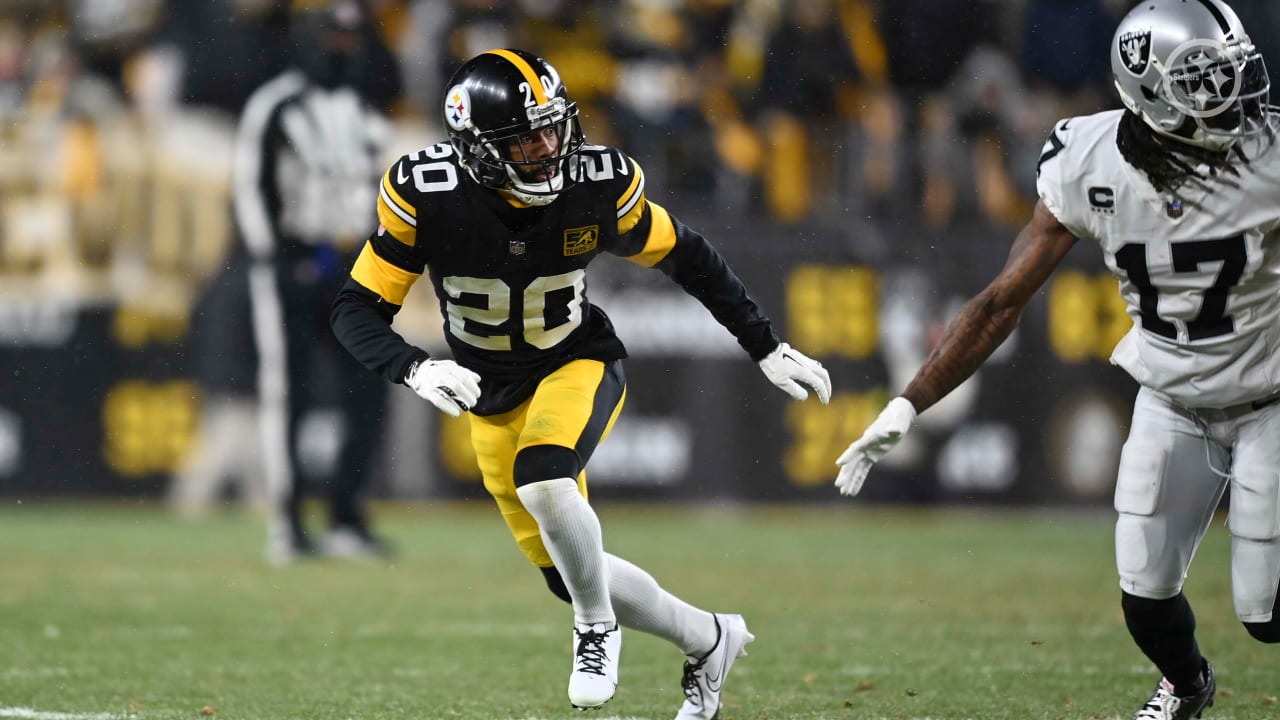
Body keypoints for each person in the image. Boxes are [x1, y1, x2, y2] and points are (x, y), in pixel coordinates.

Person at [330, 48, 831, 715]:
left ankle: (597, 629)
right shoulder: (429, 195)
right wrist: (415, 367)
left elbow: (688, 255)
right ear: (478, 150)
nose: (547, 147)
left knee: (545, 480)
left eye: (551, 126)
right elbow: (356, 309)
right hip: (490, 393)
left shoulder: (594, 184)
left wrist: (764, 345)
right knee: (571, 574)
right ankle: (710, 639)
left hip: (576, 360)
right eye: (525, 137)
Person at [835, 2, 1279, 719]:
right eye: (1203, 79)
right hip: (1172, 397)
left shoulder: (1270, 153)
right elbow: (1000, 303)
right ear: (1152, 93)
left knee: (1267, 614)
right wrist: (908, 401)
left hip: (1271, 394)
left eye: (1230, 71)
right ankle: (1188, 686)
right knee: (1144, 592)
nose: (1232, 94)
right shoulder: (1088, 160)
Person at [233, 0, 401, 564]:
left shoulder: (365, 107)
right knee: (291, 394)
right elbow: (249, 186)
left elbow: (378, 186)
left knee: (369, 389)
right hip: (293, 261)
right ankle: (288, 523)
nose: (341, 50)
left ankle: (346, 518)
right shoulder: (275, 103)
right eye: (333, 37)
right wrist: (276, 258)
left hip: (352, 266)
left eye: (351, 40)